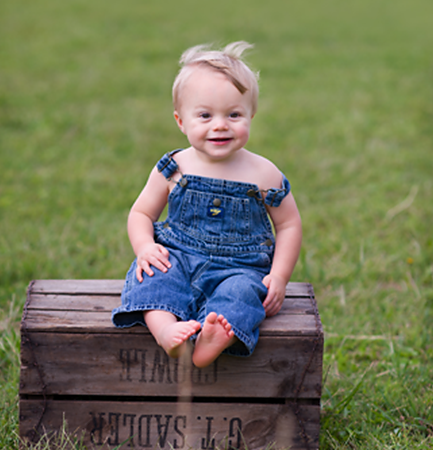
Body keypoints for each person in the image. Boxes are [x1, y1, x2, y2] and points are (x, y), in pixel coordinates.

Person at [114, 43, 303, 369]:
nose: (220, 125)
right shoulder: (174, 167)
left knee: (242, 295)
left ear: (251, 116)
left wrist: (279, 275)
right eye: (205, 115)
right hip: (179, 255)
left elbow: (289, 224)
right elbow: (141, 213)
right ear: (180, 121)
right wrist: (145, 247)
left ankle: (208, 344)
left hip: (239, 267)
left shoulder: (264, 173)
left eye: (234, 114)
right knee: (155, 278)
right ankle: (166, 332)